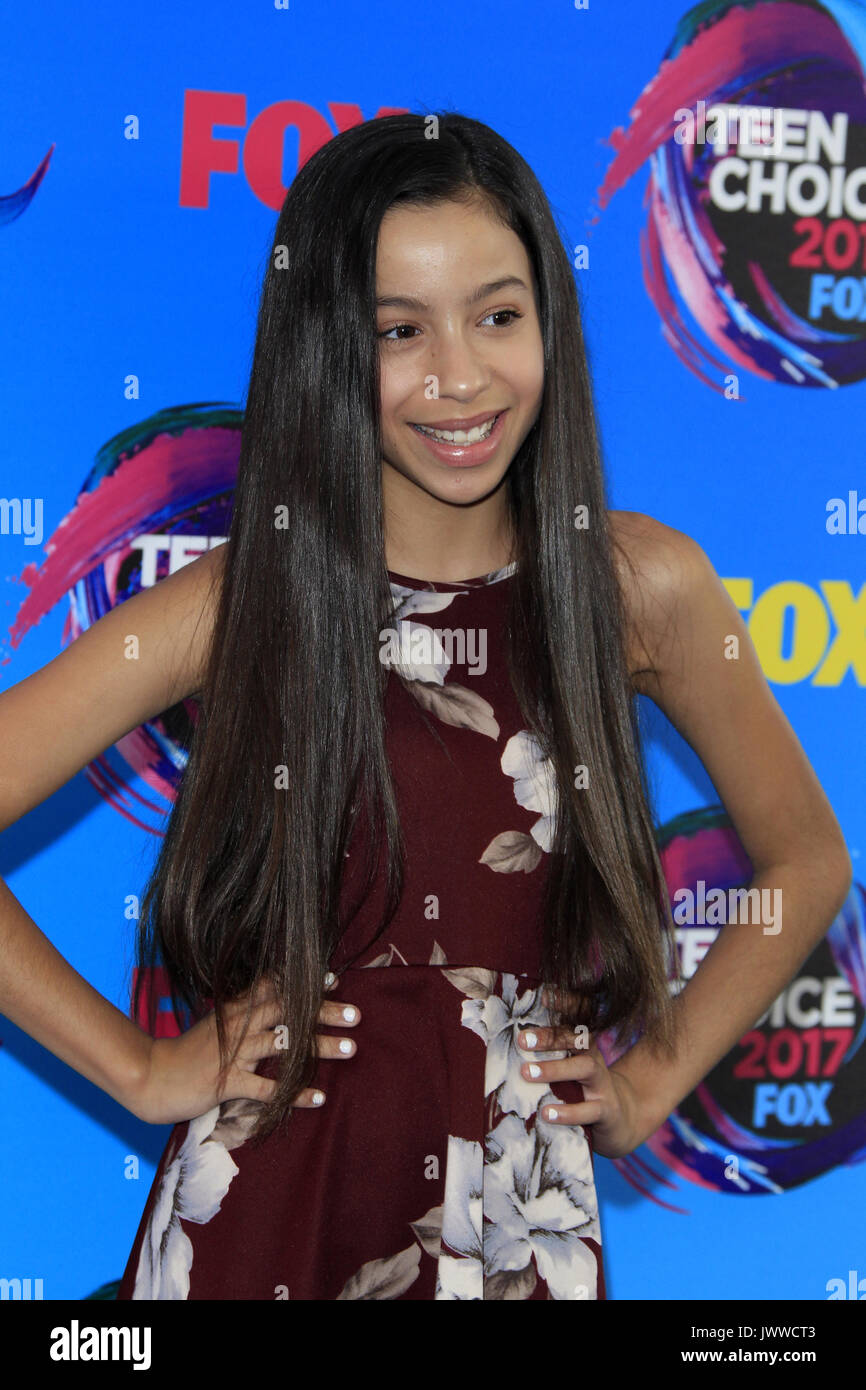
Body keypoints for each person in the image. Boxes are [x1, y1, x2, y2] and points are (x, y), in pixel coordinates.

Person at [0, 112, 851, 1301]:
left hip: (516, 1215)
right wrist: (141, 1070)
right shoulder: (249, 593)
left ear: (548, 319)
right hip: (268, 1213)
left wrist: (652, 1078)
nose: (458, 375)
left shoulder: (642, 588)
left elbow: (805, 854)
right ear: (327, 349)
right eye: (399, 330)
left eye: (497, 315)